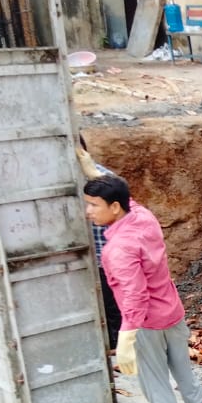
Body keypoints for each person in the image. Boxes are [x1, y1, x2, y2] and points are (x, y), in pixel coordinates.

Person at [82, 173, 202, 403]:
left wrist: (126, 337)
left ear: (114, 207)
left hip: (146, 325)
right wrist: (93, 172)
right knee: (184, 373)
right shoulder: (144, 217)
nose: (88, 211)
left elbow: (135, 296)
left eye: (94, 204)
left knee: (156, 386)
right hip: (172, 313)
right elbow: (128, 199)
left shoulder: (117, 249)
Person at [76, 138, 121, 349]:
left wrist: (93, 174)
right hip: (82, 260)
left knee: (112, 308)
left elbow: (126, 206)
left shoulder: (102, 177)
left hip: (105, 260)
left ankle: (117, 347)